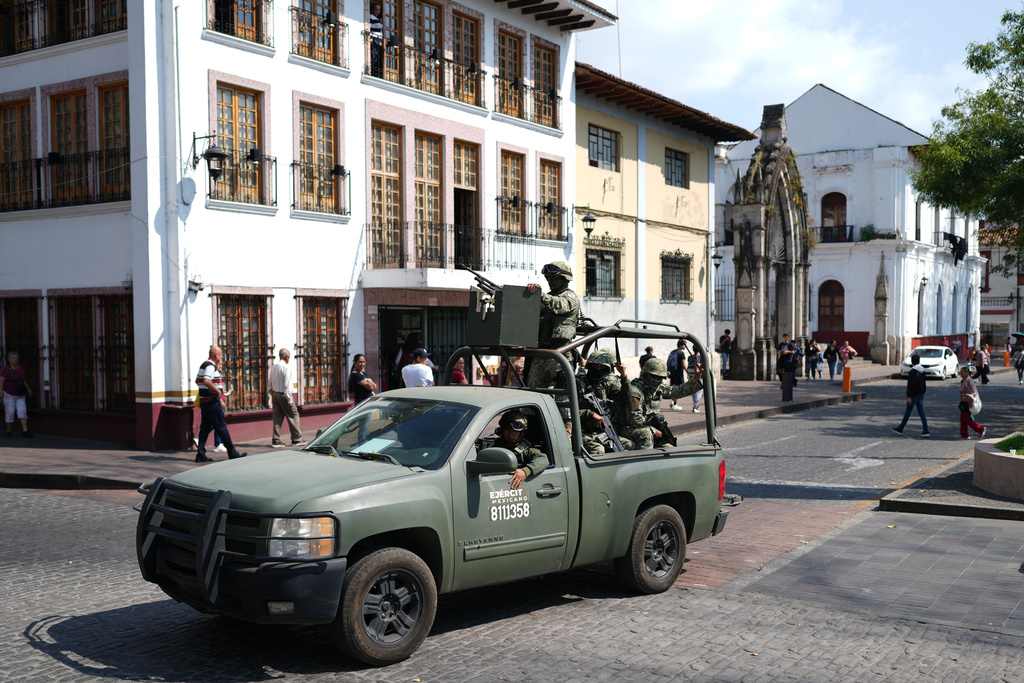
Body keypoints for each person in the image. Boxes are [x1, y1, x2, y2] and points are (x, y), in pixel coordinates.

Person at [613, 358, 702, 450]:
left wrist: (695, 378)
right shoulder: (635, 391)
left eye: (659, 378)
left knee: (669, 448)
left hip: (646, 427)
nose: (656, 380)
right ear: (645, 374)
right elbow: (635, 419)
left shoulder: (657, 388)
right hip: (628, 429)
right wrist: (653, 430)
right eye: (653, 376)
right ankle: (645, 463)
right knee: (646, 434)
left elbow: (677, 391)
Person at [526, 261, 579, 388]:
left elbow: (559, 305)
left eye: (554, 277)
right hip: (541, 352)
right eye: (548, 278)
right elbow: (530, 311)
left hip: (560, 353)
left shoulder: (570, 296)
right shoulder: (546, 297)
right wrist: (531, 295)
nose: (551, 280)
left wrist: (542, 295)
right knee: (533, 391)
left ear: (564, 278)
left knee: (563, 397)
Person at [195, 345, 247, 463]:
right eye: (221, 355)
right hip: (211, 402)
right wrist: (217, 392)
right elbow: (206, 380)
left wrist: (205, 391)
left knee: (205, 428)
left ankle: (200, 453)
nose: (221, 357)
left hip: (205, 402)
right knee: (222, 427)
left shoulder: (203, 365)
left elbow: (197, 381)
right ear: (215, 355)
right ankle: (232, 452)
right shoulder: (210, 366)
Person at [576, 349, 631, 453]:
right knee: (599, 450)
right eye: (595, 366)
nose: (598, 369)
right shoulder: (579, 384)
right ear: (589, 366)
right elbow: (568, 412)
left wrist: (623, 375)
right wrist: (590, 414)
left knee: (627, 445)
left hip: (602, 432)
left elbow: (625, 397)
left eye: (602, 367)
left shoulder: (605, 384)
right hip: (582, 432)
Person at [492, 410, 549, 490]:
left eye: (515, 431)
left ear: (522, 432)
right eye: (508, 430)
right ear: (502, 430)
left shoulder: (526, 449)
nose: (510, 434)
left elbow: (543, 459)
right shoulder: (496, 445)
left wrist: (525, 472)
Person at [269, 348, 305, 448]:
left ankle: (276, 439)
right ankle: (296, 439)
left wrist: (271, 395)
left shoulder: (274, 367)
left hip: (276, 394)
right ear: (285, 356)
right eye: (288, 356)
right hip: (284, 395)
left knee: (277, 416)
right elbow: (287, 385)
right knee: (294, 415)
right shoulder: (286, 367)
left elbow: (269, 383)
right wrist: (290, 399)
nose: (289, 358)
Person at [891, 354, 930, 438]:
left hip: (913, 395)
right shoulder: (922, 370)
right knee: (921, 413)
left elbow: (911, 385)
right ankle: (926, 430)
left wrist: (909, 396)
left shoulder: (913, 371)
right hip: (921, 394)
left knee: (908, 412)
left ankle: (900, 428)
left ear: (912, 362)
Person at [1, 351, 32, 437]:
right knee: (9, 413)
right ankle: (9, 430)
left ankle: (25, 431)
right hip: (9, 394)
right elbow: (1, 382)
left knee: (22, 412)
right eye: (14, 358)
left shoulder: (21, 368)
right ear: (9, 360)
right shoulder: (5, 370)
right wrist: (0, 391)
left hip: (20, 394)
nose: (16, 360)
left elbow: (23, 380)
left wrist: (28, 389)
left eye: (17, 358)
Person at [957, 365, 986, 440]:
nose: (961, 374)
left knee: (967, 419)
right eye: (960, 372)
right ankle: (964, 434)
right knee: (962, 419)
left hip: (968, 403)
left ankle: (981, 429)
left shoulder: (969, 381)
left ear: (967, 373)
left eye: (962, 372)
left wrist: (970, 404)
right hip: (963, 403)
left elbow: (973, 393)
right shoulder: (964, 380)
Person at [666, 339, 688, 411]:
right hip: (678, 372)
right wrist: (688, 372)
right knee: (677, 389)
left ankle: (673, 402)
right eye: (684, 345)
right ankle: (674, 404)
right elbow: (684, 365)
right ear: (681, 345)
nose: (685, 346)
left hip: (673, 372)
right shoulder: (681, 353)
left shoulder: (673, 352)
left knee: (673, 387)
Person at [369, 2, 384, 78]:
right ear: (372, 10)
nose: (377, 11)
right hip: (374, 40)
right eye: (376, 9)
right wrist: (370, 38)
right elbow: (369, 27)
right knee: (373, 57)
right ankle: (371, 71)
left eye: (379, 10)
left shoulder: (376, 19)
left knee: (376, 58)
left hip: (378, 41)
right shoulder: (370, 17)